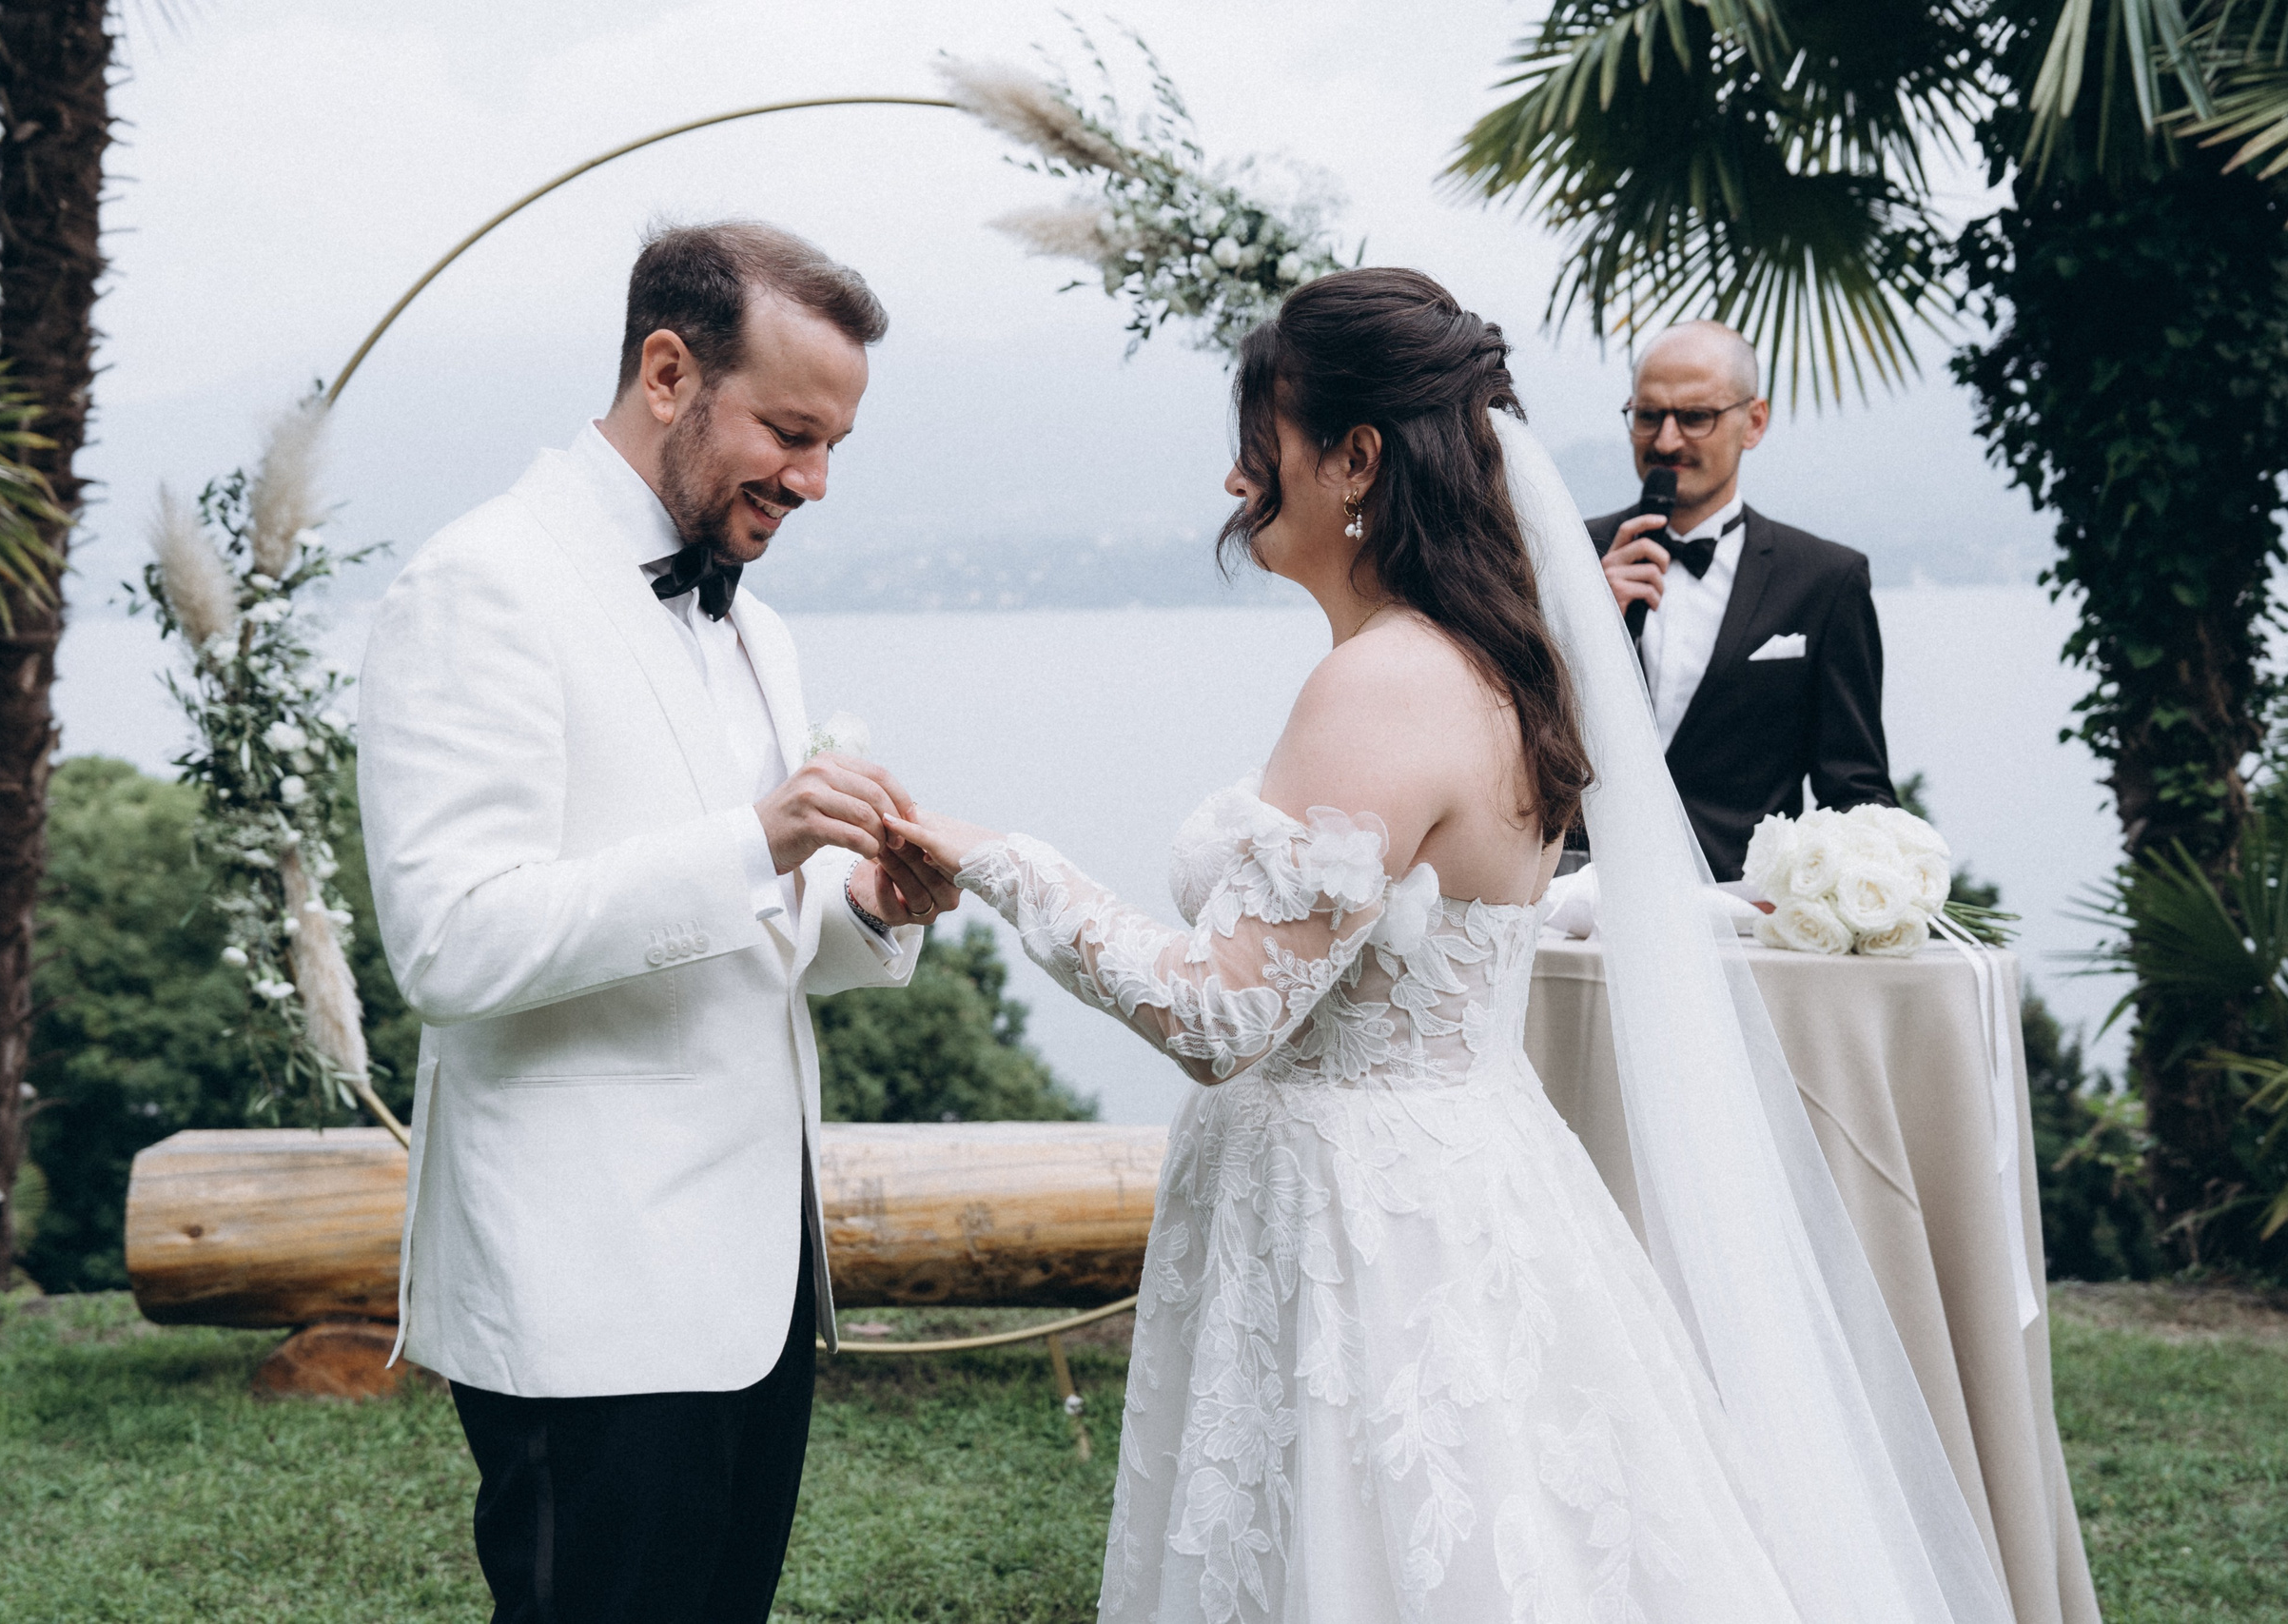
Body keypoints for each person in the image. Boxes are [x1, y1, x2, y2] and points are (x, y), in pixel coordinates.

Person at [890, 271, 2013, 1622]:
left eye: (1266, 443)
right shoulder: (1498, 660)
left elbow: (1219, 1016)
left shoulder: (1388, 681)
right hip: (1468, 1181)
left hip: (1359, 1228)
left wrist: (997, 860)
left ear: (1355, 457)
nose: (1241, 477)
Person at [357, 220, 960, 1624]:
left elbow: (759, 925)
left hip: (754, 1285)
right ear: (670, 369)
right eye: (792, 432)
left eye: (835, 446)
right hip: (588, 1291)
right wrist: (758, 836)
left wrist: (867, 907)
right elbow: (450, 940)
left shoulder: (757, 624)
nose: (812, 480)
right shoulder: (482, 581)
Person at [1592, 321, 1893, 879]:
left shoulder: (1826, 580)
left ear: (1753, 422)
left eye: (1695, 417)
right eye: (1649, 416)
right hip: (1575, 903)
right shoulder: (1563, 557)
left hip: (1740, 918)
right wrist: (1581, 625)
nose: (1666, 442)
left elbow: (1855, 788)